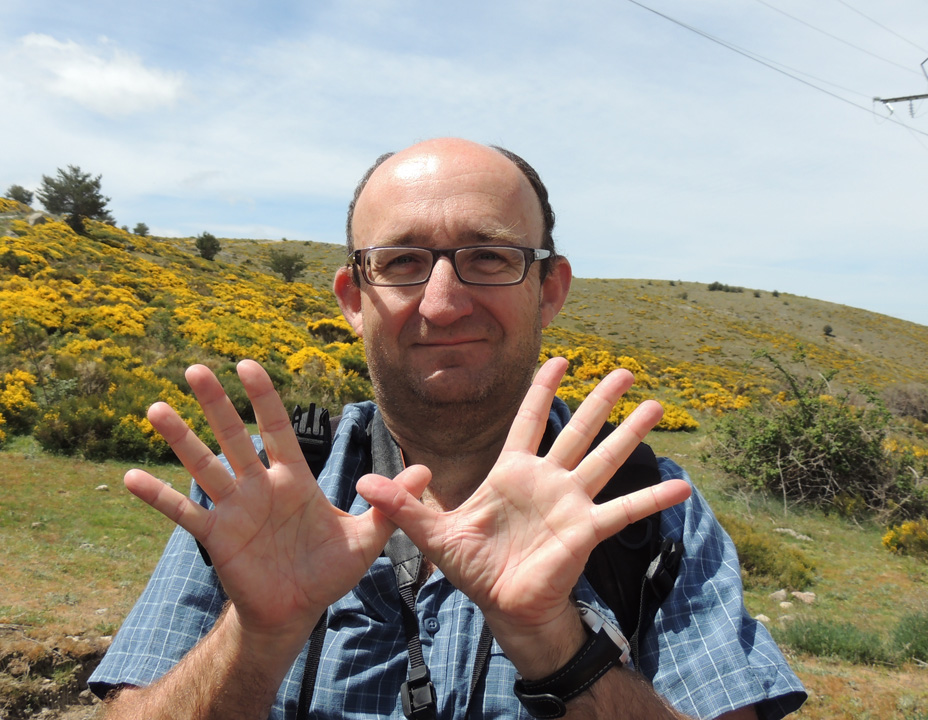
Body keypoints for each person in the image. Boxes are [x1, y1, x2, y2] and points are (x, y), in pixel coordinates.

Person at [88, 138, 807, 719]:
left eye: (488, 257)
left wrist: (558, 646)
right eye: (401, 262)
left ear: (549, 288)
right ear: (353, 297)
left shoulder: (648, 510)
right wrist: (258, 636)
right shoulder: (257, 491)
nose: (442, 303)